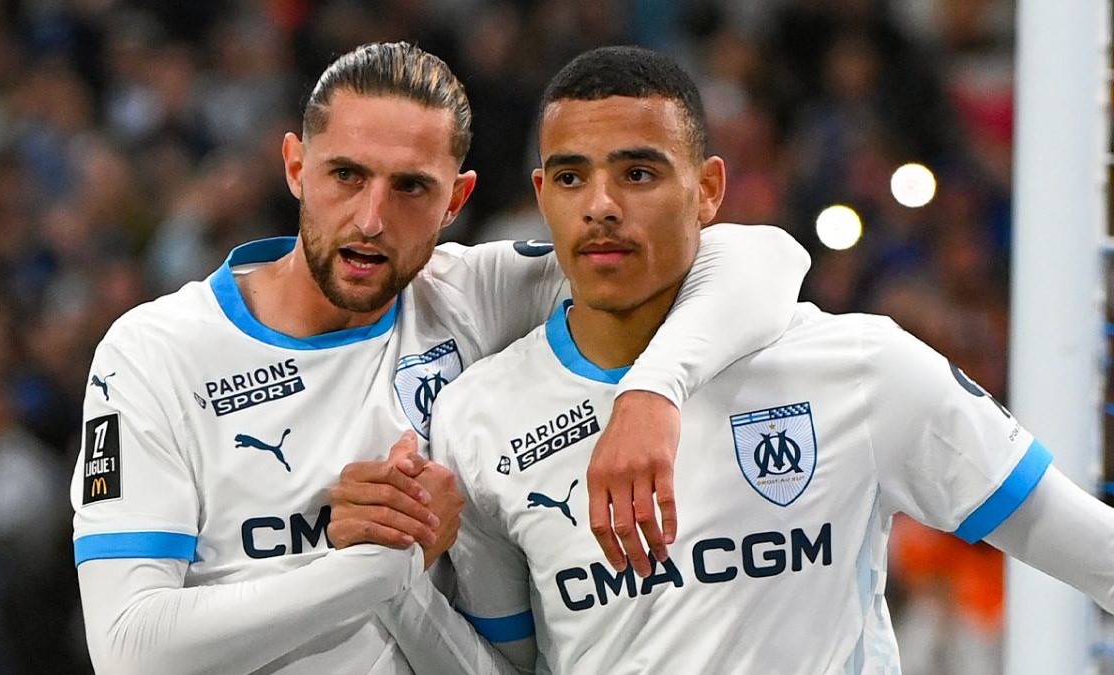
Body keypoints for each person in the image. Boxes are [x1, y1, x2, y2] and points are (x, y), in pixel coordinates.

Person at [360, 46, 1114, 674]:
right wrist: (385, 574)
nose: (600, 204)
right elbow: (508, 665)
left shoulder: (862, 368)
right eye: (570, 176)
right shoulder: (477, 416)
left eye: (638, 173)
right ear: (541, 194)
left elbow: (1095, 553)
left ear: (709, 190)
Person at [71, 42, 810, 674]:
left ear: (456, 199)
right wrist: (377, 565)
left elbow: (758, 256)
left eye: (411, 188)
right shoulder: (158, 351)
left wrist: (653, 392)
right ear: (296, 166)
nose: (371, 218)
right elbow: (131, 648)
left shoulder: (475, 293)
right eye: (346, 175)